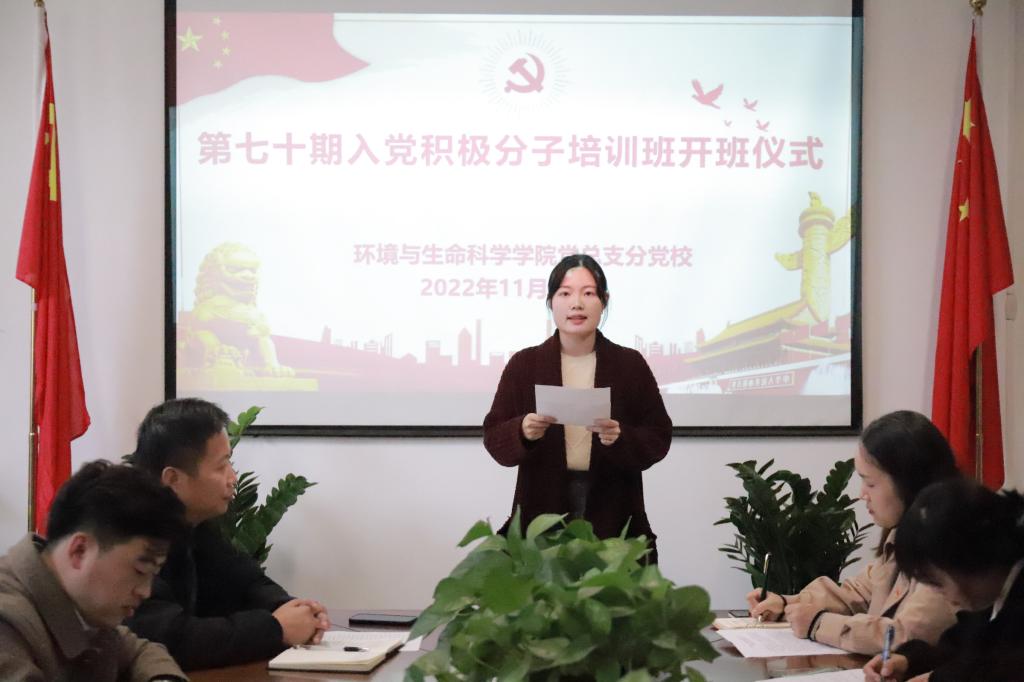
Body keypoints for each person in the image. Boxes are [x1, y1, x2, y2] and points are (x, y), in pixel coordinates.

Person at [483, 254, 672, 561]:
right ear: (550, 302)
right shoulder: (524, 364)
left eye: (588, 293)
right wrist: (522, 431)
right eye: (565, 293)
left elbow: (658, 436)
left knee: (613, 590)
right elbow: (494, 436)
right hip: (542, 513)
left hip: (613, 512)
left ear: (604, 301)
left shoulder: (629, 365)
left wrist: (621, 437)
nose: (577, 304)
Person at [125, 397, 329, 670]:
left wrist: (296, 610)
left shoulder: (194, 525)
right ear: (173, 479)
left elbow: (248, 582)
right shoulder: (129, 536)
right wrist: (276, 628)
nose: (233, 478)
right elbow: (172, 639)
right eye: (221, 467)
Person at [747, 410, 960, 654]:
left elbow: (907, 637)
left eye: (870, 483)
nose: (862, 495)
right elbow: (857, 593)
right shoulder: (904, 536)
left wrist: (818, 624)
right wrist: (786, 603)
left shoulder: (950, 549)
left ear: (908, 482)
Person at [0, 460, 188, 681]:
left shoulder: (82, 607)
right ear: (79, 551)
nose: (145, 592)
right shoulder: (8, 623)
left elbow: (139, 650)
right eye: (140, 570)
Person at [864, 477, 1024, 682]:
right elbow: (958, 652)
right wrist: (908, 661)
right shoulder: (990, 598)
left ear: (967, 562)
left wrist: (936, 679)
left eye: (936, 582)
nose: (938, 593)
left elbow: (1004, 668)